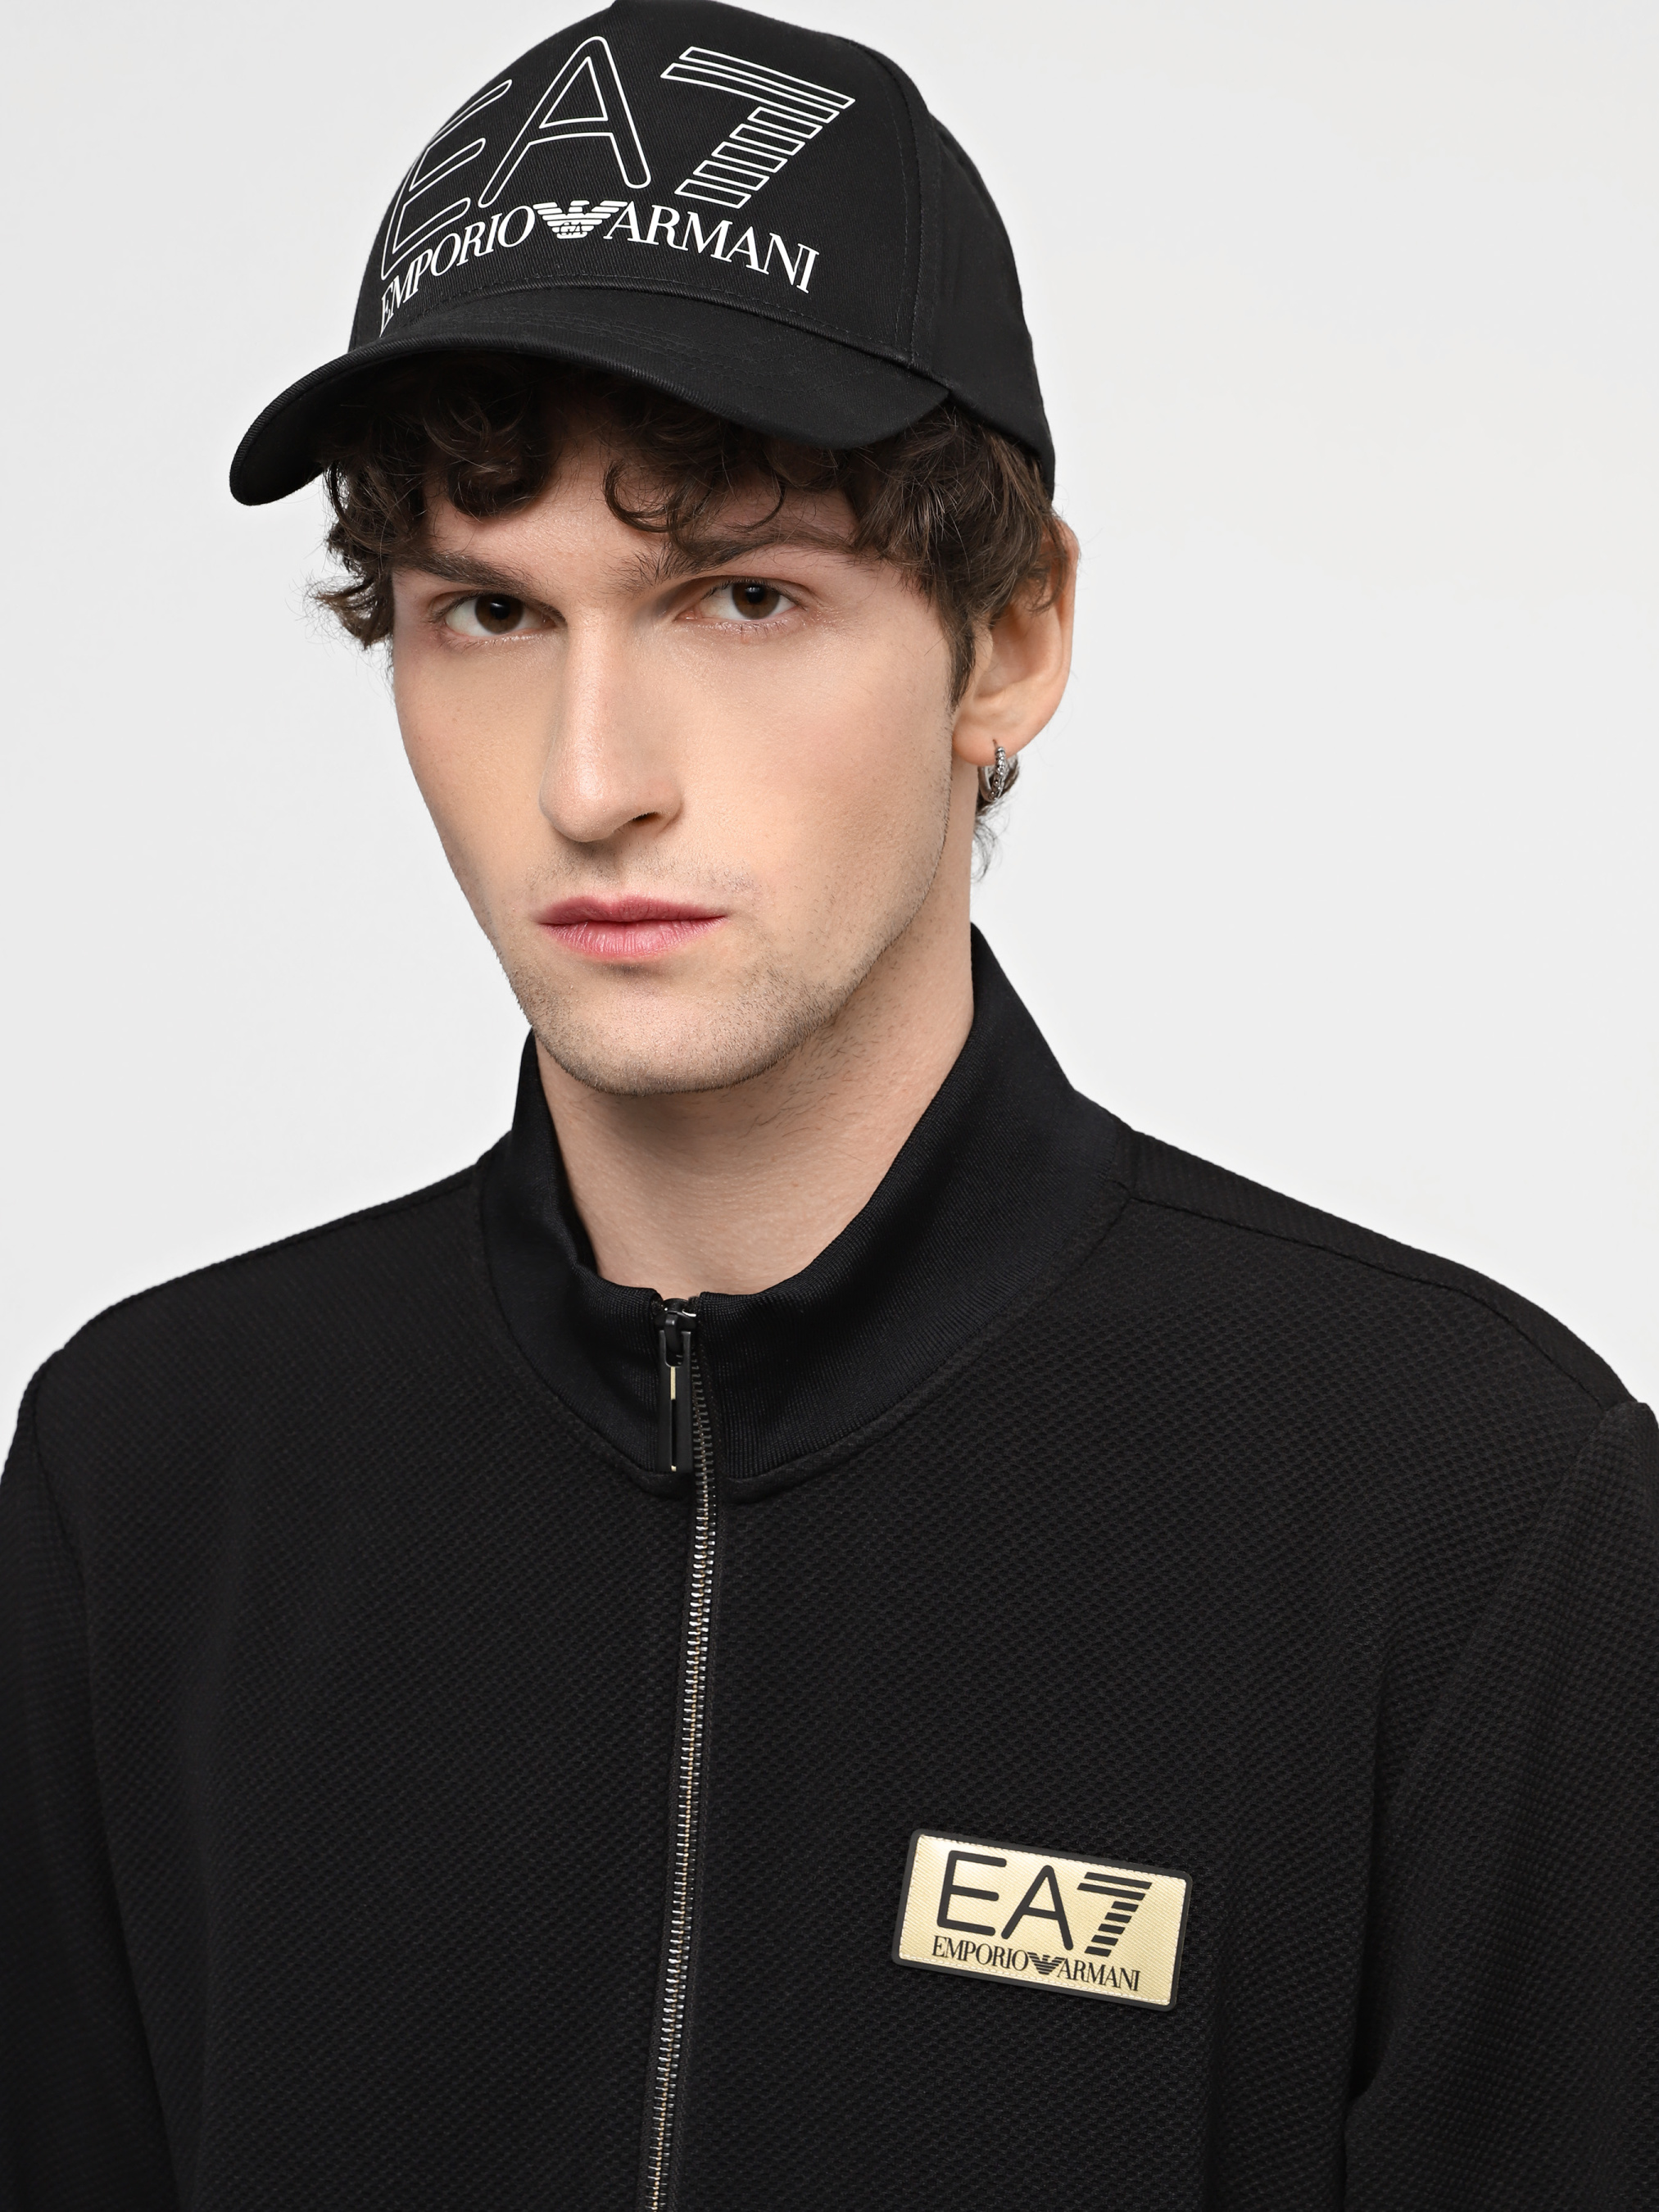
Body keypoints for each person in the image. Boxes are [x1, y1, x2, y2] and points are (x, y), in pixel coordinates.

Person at [2, 1, 1653, 2205]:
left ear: (1009, 641)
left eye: (743, 596)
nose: (594, 780)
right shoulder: (147, 1483)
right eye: (484, 613)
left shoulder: (1468, 1515)